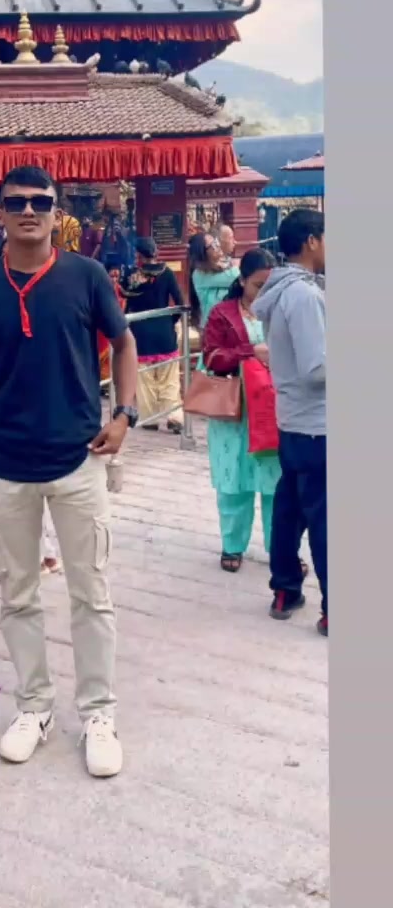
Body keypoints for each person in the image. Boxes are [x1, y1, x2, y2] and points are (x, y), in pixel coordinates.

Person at [0, 165, 138, 778]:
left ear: (57, 212)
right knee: (18, 594)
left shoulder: (86, 276)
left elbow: (124, 343)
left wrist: (125, 414)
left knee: (92, 593)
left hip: (79, 459)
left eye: (40, 201)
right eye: (16, 202)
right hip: (6, 465)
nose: (28, 211)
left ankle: (99, 714)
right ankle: (34, 706)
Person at [253, 209, 327, 636]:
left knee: (291, 508)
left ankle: (285, 589)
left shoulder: (283, 290)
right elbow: (316, 369)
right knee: (325, 518)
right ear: (312, 241)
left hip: (295, 421)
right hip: (317, 424)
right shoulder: (303, 296)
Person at [202, 248, 284, 571]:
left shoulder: (282, 310)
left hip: (275, 408)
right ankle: (232, 546)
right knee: (232, 482)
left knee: (277, 485)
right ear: (242, 280)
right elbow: (211, 357)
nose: (264, 292)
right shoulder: (222, 313)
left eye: (270, 285)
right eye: (258, 285)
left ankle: (281, 550)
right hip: (235, 411)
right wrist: (250, 352)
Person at [125, 238, 185, 434]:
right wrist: (169, 321)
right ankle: (174, 416)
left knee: (145, 379)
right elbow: (179, 302)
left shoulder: (133, 276)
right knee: (170, 378)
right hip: (164, 331)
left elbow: (127, 305)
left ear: (139, 255)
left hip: (141, 332)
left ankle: (149, 417)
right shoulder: (167, 273)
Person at [188, 231, 240, 339]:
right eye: (213, 245)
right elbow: (235, 277)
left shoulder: (224, 264)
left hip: (230, 324)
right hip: (212, 327)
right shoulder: (200, 274)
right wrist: (235, 266)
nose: (218, 245)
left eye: (216, 241)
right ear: (203, 252)